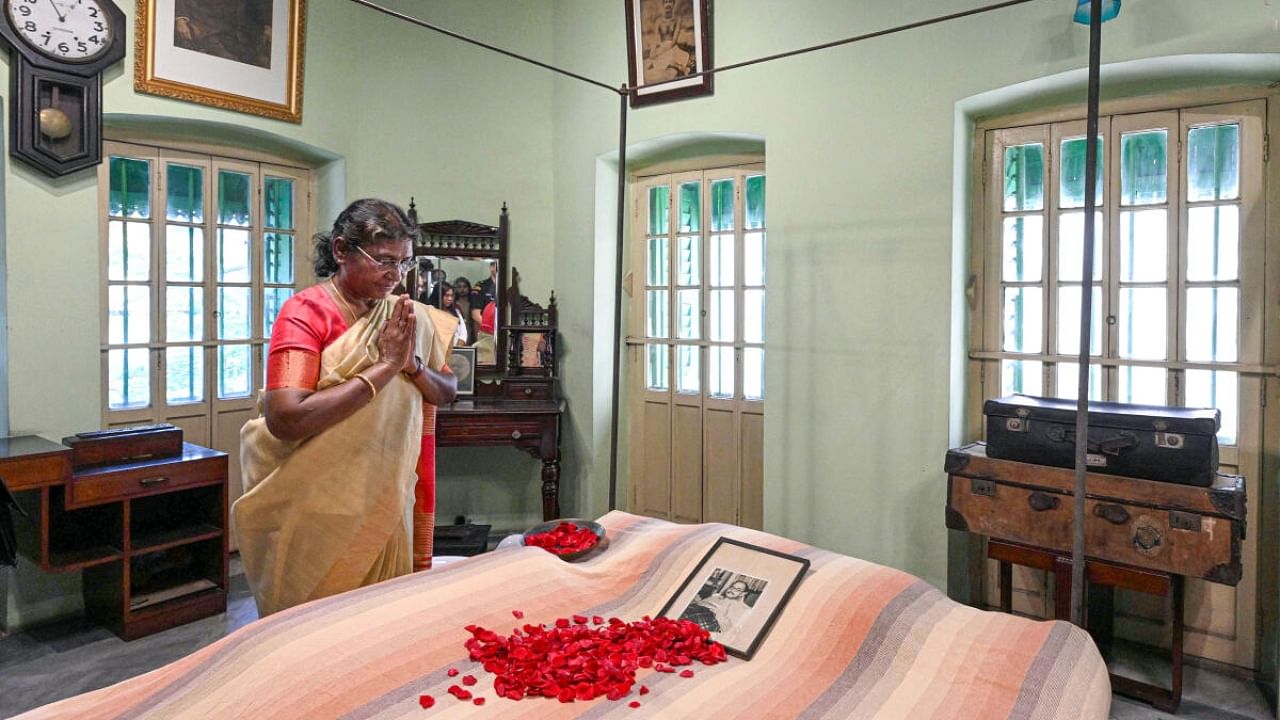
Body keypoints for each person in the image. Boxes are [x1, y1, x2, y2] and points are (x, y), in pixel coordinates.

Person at [233, 198, 458, 616]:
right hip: (318, 505)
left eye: (405, 263)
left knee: (379, 630)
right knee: (316, 631)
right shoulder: (306, 313)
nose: (396, 276)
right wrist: (386, 367)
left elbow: (446, 392)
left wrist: (412, 365)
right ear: (341, 250)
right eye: (384, 261)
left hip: (384, 500)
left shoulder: (407, 317)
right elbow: (286, 418)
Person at [679, 578, 755, 646]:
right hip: (698, 610)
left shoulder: (740, 607)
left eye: (738, 589)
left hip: (711, 619)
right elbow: (699, 604)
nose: (732, 590)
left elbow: (727, 628)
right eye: (732, 587)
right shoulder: (716, 596)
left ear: (743, 594)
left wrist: (719, 613)